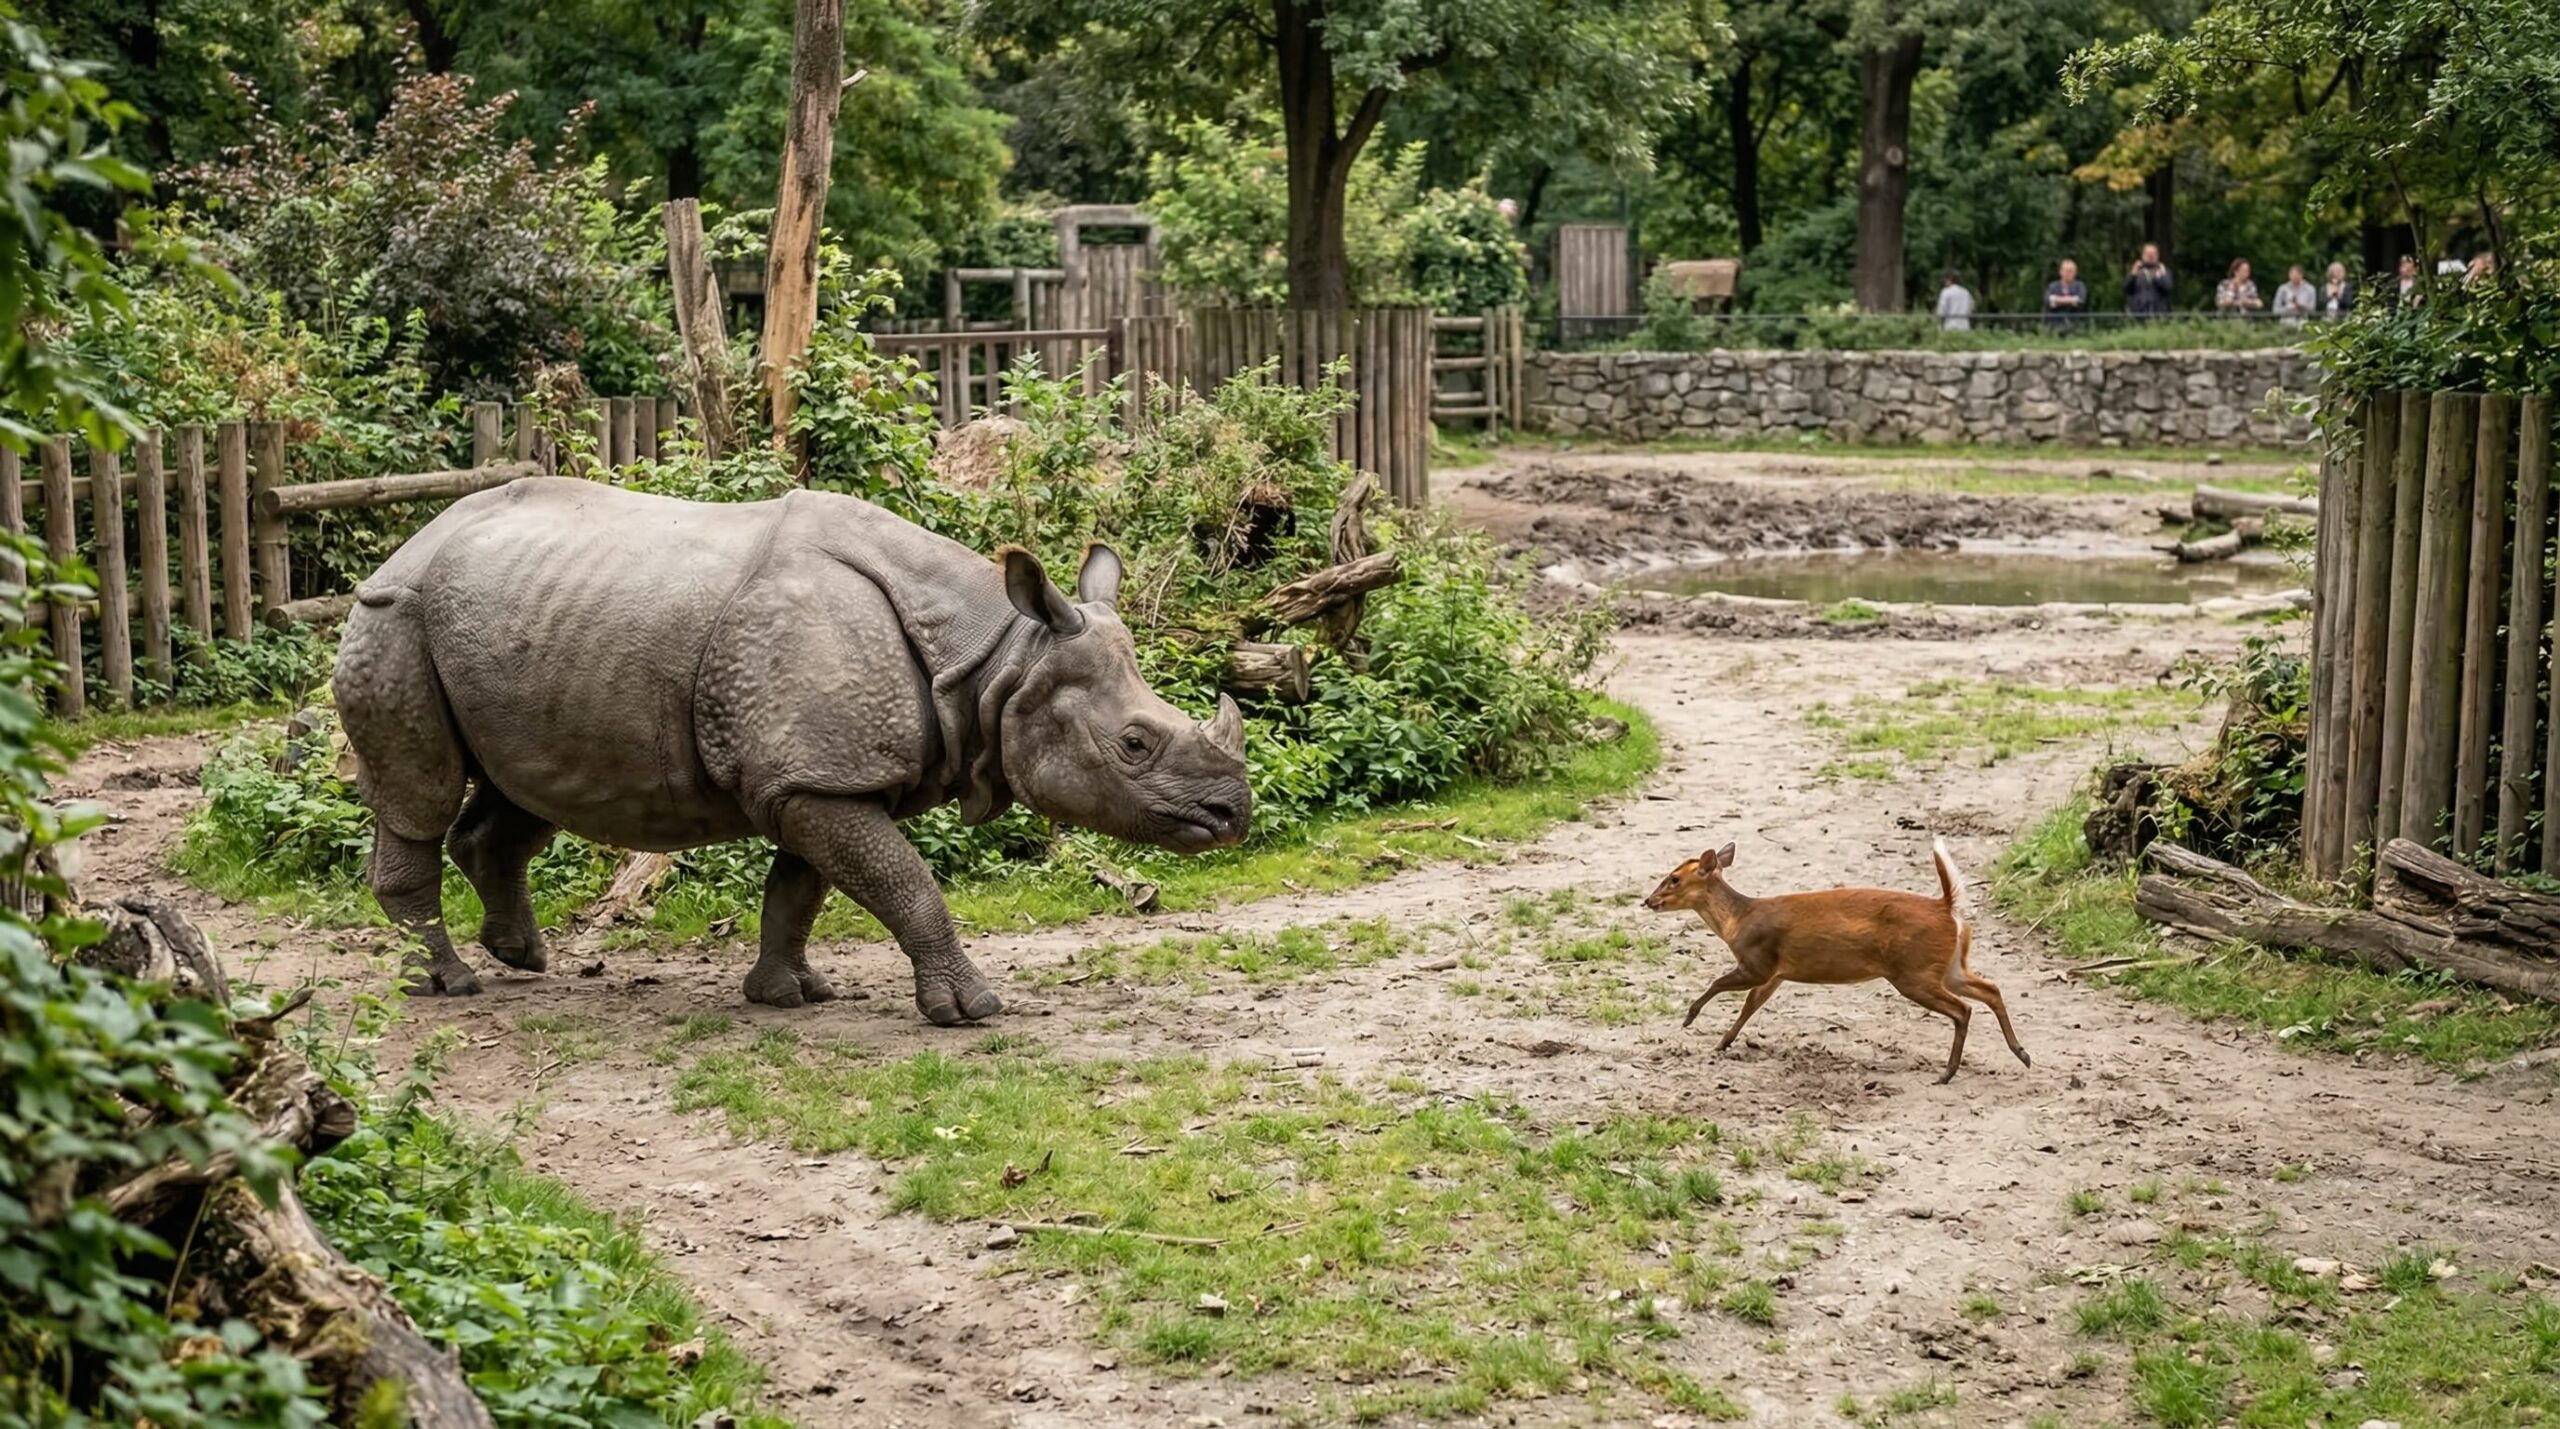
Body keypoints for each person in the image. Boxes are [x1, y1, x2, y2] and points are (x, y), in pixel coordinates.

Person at [2125, 244, 2173, 317]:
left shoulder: (2164, 271)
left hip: (2159, 315)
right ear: (2143, 255)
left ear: (2158, 255)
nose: (2150, 257)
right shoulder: (2135, 271)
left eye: (2153, 254)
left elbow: (2168, 287)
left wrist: (2156, 277)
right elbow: (2127, 288)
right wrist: (2133, 275)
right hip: (2138, 315)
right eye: (2148, 254)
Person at [2043, 258, 2088, 332]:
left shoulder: (2080, 286)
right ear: (2060, 272)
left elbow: (2081, 301)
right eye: (2066, 271)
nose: (2068, 273)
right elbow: (2048, 301)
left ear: (2075, 272)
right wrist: (2072, 300)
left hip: (2075, 326)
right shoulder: (2052, 286)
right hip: (2053, 327)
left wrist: (2057, 300)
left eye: (2071, 271)